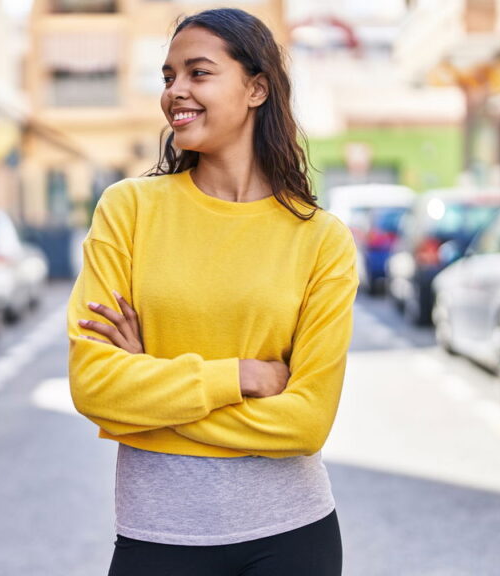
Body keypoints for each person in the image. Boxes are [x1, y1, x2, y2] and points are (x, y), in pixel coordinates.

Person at [67, 8, 357, 576]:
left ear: (256, 88)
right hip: (157, 537)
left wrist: (146, 396)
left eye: (198, 73)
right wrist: (239, 377)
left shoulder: (321, 240)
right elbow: (93, 385)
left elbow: (306, 422)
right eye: (168, 76)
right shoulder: (129, 209)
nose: (176, 91)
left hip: (292, 537)